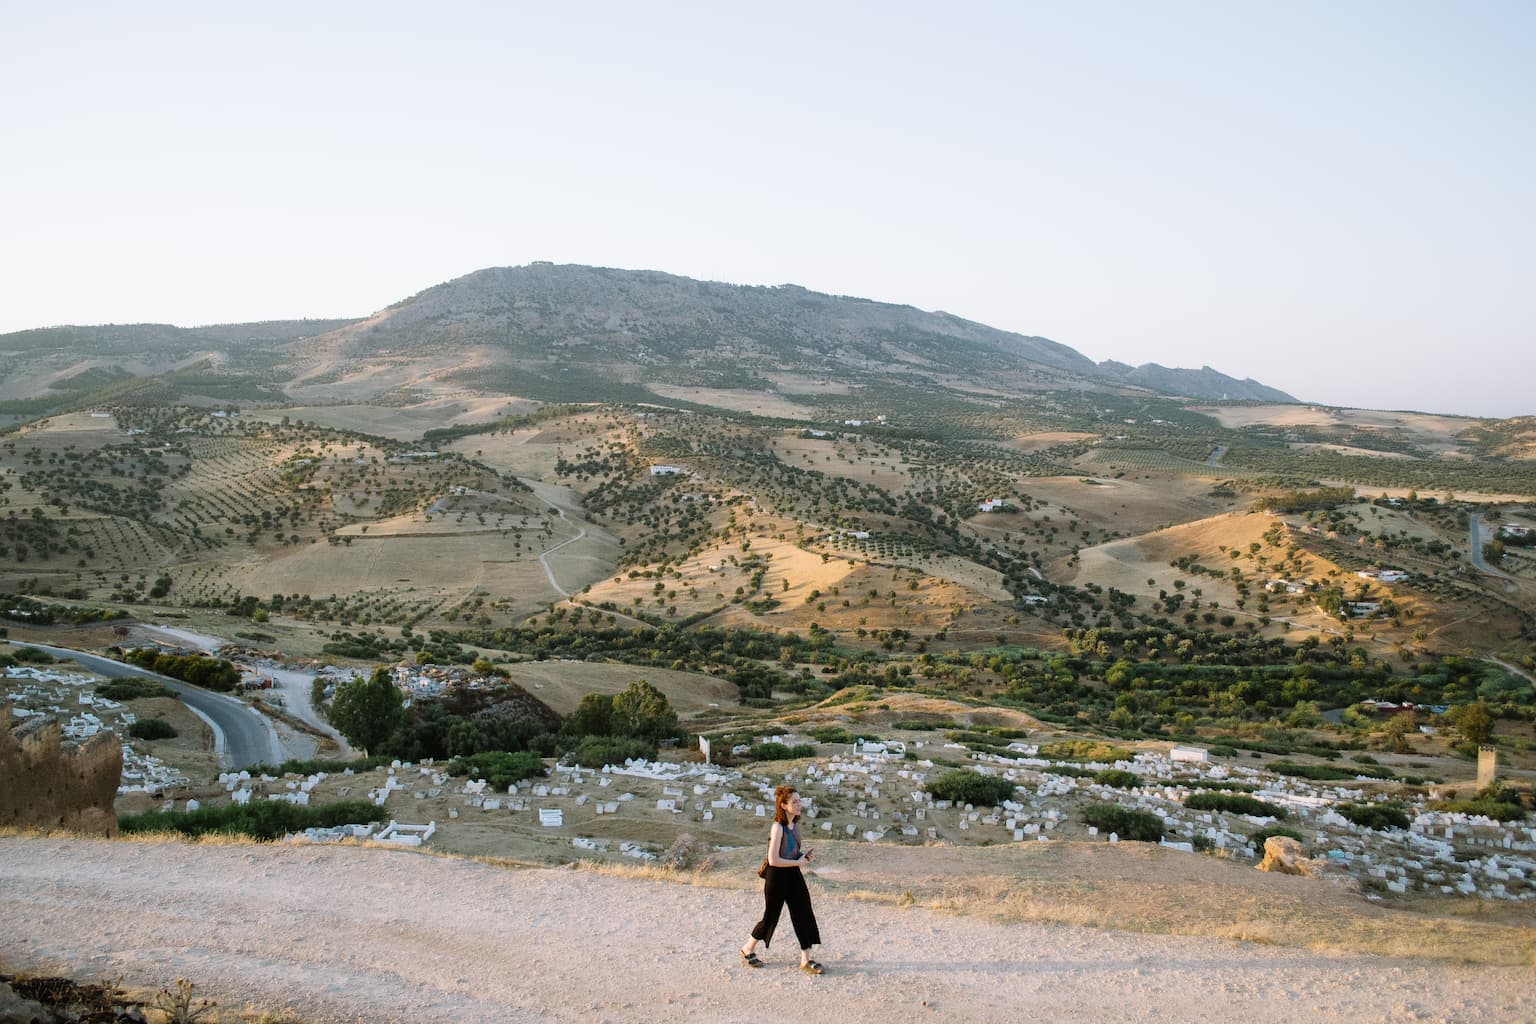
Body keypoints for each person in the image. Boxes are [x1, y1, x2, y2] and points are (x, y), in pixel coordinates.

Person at [740, 784, 823, 973]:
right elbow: (773, 860)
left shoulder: (795, 825)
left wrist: (802, 857)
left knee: (803, 913)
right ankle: (748, 948)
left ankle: (805, 960)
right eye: (794, 802)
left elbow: (791, 853)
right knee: (770, 917)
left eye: (799, 801)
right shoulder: (777, 827)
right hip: (777, 876)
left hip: (793, 874)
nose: (799, 805)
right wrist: (798, 863)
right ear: (783, 805)